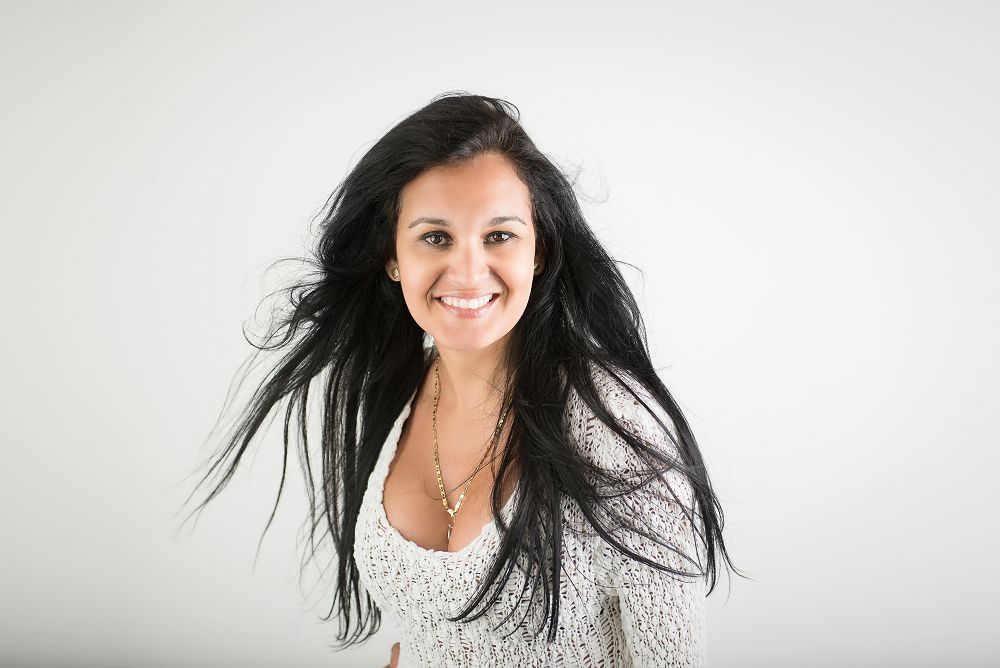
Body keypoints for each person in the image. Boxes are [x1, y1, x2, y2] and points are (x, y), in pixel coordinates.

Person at [183, 92, 744, 667]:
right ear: (393, 257)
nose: (470, 272)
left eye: (499, 236)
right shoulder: (397, 386)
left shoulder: (617, 427)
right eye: (435, 237)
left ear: (539, 251)